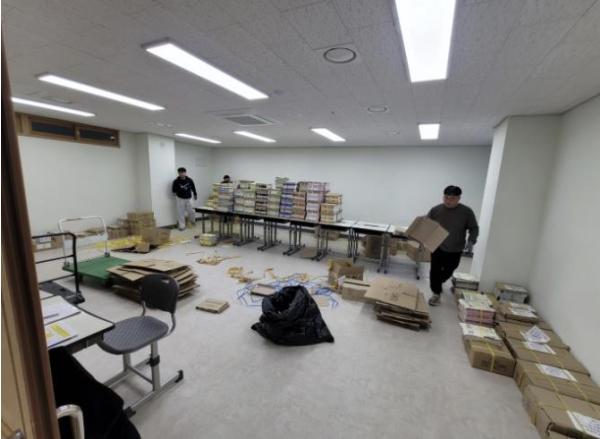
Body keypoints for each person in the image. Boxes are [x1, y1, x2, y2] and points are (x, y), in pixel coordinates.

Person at [427, 185, 479, 306]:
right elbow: (426, 224)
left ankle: (438, 281)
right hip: (437, 246)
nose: (448, 201)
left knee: (449, 270)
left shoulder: (466, 212)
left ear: (459, 198)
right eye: (446, 197)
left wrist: (471, 241)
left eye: (452, 198)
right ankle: (436, 293)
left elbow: (474, 228)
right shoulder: (436, 210)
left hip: (455, 248)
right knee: (435, 270)